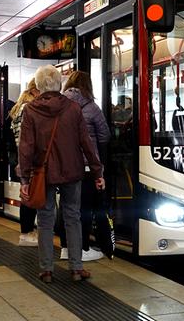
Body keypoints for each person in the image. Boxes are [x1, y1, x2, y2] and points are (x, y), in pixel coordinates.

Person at [18, 65, 104, 283]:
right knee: (73, 217)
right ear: (59, 84)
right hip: (72, 171)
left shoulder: (30, 110)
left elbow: (25, 147)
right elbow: (87, 143)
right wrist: (97, 171)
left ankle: (47, 269)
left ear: (38, 86)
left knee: (45, 220)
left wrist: (24, 179)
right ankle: (76, 268)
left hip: (42, 173)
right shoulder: (73, 108)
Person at [59, 71, 110, 262]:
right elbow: (105, 136)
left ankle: (65, 247)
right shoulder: (91, 106)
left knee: (67, 208)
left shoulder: (59, 104)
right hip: (87, 167)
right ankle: (82, 248)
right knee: (85, 209)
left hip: (64, 165)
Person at [9, 78, 39, 247]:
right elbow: (23, 140)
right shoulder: (28, 108)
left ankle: (27, 232)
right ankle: (26, 233)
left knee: (29, 195)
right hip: (29, 159)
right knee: (29, 197)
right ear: (35, 90)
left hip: (25, 158)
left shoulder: (21, 107)